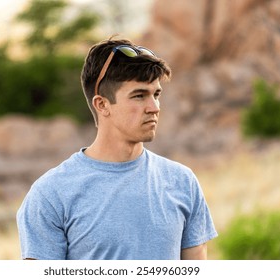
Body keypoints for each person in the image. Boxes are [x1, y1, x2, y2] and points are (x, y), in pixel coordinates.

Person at [16, 37, 218, 260]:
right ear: (102, 104)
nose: (154, 108)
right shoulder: (51, 194)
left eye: (156, 94)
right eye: (139, 95)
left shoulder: (182, 181)